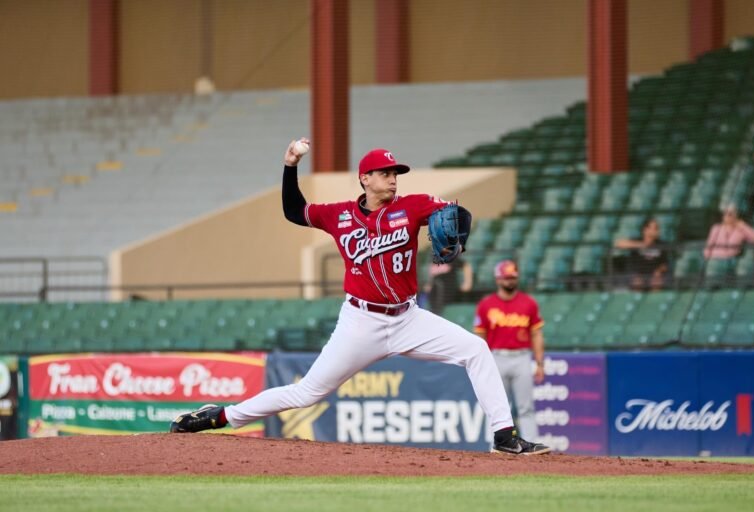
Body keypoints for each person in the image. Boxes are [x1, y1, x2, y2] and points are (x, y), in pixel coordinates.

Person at [169, 139, 551, 456]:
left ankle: (504, 436)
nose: (393, 179)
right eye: (385, 173)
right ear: (365, 178)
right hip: (361, 321)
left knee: (475, 350)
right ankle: (220, 417)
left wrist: (456, 224)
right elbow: (293, 210)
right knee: (306, 393)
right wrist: (290, 165)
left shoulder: (413, 206)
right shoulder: (339, 216)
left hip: (408, 318)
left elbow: (457, 214)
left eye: (395, 173)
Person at [474, 260, 544, 440]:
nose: (510, 281)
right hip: (496, 358)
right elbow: (480, 338)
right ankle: (496, 446)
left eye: (513, 277)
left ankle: (531, 445)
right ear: (498, 279)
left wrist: (540, 363)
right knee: (496, 407)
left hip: (521, 356)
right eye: (506, 278)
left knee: (525, 407)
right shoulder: (486, 305)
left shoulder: (528, 303)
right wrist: (482, 362)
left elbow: (536, 334)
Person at [613, 217, 668, 291]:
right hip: (637, 274)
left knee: (657, 282)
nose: (657, 231)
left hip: (652, 274)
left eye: (657, 229)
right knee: (637, 282)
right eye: (655, 228)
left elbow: (664, 264)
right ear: (645, 230)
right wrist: (641, 245)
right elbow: (618, 244)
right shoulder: (637, 241)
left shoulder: (661, 244)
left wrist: (658, 271)